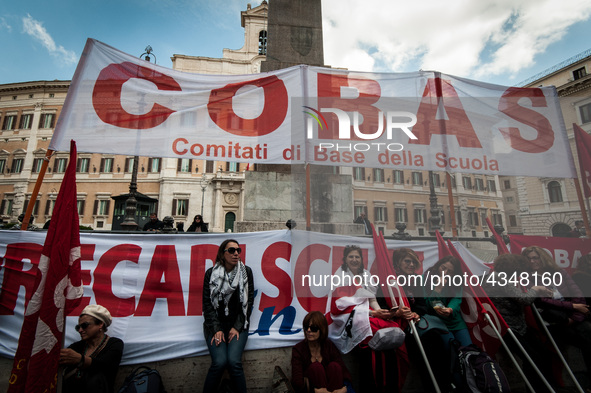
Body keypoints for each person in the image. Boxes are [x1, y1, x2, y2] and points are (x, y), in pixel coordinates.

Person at [329, 245, 405, 392]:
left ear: (362, 259)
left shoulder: (366, 275)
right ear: (345, 259)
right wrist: (373, 314)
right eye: (351, 256)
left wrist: (381, 312)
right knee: (370, 346)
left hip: (368, 314)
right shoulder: (340, 275)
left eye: (357, 256)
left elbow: (372, 300)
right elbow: (341, 304)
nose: (354, 259)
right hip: (349, 316)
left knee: (391, 328)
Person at [483, 253, 557, 393]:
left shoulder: (499, 277)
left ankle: (546, 385)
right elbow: (524, 299)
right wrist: (536, 289)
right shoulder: (499, 278)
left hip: (518, 325)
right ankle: (538, 388)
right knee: (532, 357)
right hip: (508, 327)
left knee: (544, 352)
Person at [522, 245, 591, 384]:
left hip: (572, 317)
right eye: (528, 259)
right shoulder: (527, 278)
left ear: (543, 258)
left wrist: (573, 318)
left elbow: (578, 298)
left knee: (587, 333)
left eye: (535, 258)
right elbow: (543, 302)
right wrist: (572, 307)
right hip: (553, 320)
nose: (532, 261)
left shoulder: (560, 273)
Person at [392, 248, 451, 393]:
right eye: (407, 261)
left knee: (437, 341)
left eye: (413, 261)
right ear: (398, 263)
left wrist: (416, 313)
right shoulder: (390, 281)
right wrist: (399, 312)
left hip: (417, 323)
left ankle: (444, 385)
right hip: (401, 325)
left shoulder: (417, 280)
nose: (411, 264)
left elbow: (422, 305)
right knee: (424, 350)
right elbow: (384, 306)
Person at [202, 239, 254, 393]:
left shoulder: (246, 273)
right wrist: (216, 329)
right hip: (215, 325)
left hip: (238, 325)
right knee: (219, 362)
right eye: (231, 250)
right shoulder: (211, 274)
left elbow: (248, 302)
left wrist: (237, 327)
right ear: (222, 254)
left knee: (233, 362)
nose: (236, 253)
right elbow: (208, 305)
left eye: (238, 250)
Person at [59, 304, 124, 393]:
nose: (80, 330)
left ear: (100, 324)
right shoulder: (77, 346)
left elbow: (105, 365)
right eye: (78, 327)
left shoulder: (114, 343)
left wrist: (80, 359)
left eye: (84, 325)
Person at [291, 311, 351, 393]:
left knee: (334, 367)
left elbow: (343, 371)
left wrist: (345, 388)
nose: (308, 330)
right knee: (316, 368)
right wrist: (315, 390)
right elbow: (296, 381)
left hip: (332, 389)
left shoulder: (328, 346)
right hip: (312, 390)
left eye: (313, 328)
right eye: (306, 327)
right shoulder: (298, 349)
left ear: (322, 329)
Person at [423, 256, 472, 350]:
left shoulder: (457, 281)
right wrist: (437, 289)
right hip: (437, 321)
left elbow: (457, 299)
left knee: (468, 349)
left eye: (450, 272)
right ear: (438, 265)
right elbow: (428, 302)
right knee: (451, 349)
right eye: (443, 268)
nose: (445, 273)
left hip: (454, 320)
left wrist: (450, 309)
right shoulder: (426, 278)